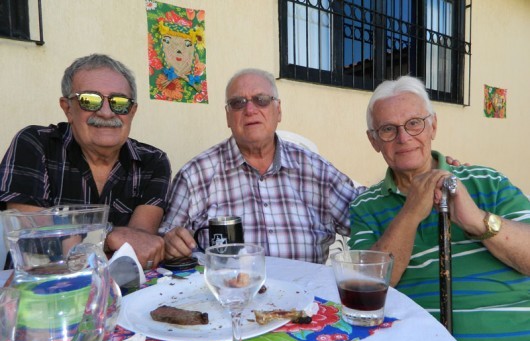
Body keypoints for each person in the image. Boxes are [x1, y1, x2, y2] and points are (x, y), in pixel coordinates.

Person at [348, 75, 530, 341]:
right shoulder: (366, 207)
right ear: (373, 140)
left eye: (415, 123)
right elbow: (367, 294)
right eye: (388, 129)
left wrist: (477, 221)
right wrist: (410, 212)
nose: (404, 138)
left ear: (433, 126)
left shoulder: (487, 181)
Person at [160, 68, 364, 264]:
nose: (250, 110)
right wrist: (169, 245)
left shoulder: (317, 172)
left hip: (306, 297)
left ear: (279, 110)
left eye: (261, 100)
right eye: (238, 103)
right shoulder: (194, 176)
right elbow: (164, 243)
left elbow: (367, 217)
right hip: (228, 297)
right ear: (228, 116)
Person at [0, 54, 171, 269]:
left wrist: (72, 239)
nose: (107, 112)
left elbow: (136, 250)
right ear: (68, 108)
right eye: (89, 100)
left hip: (120, 293)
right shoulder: (35, 144)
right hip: (40, 294)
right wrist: (109, 237)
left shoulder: (153, 162)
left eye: (119, 103)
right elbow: (37, 248)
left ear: (132, 112)